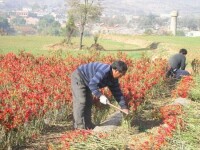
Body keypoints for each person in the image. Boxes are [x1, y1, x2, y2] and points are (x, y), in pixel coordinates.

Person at [71, 60, 129, 130]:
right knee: (81, 102)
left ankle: (88, 125)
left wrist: (124, 107)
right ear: (115, 70)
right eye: (121, 74)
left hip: (88, 81)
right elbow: (92, 84)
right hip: (79, 77)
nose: (121, 76)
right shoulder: (104, 71)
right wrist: (101, 96)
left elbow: (117, 93)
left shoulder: (114, 79)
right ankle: (78, 127)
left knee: (89, 102)